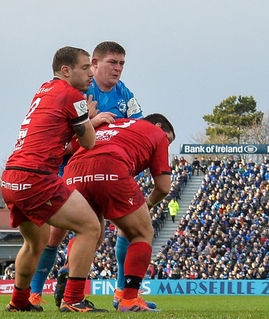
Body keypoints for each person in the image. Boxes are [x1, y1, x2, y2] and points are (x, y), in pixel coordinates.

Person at [29, 41, 151, 311]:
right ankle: (35, 294)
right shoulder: (81, 90)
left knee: (122, 227)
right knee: (57, 234)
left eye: (121, 64)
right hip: (69, 166)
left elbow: (139, 128)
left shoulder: (125, 94)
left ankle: (120, 293)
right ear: (94, 64)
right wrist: (93, 122)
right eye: (112, 62)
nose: (117, 69)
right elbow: (64, 133)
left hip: (105, 169)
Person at [2, 46, 107, 312]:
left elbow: (58, 140)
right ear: (66, 70)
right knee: (90, 227)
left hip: (11, 176)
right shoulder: (73, 95)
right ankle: (72, 299)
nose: (90, 74)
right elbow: (89, 142)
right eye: (85, 68)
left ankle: (19, 301)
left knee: (35, 243)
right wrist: (90, 119)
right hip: (36, 177)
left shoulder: (44, 89)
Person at [62, 114, 175, 312]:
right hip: (110, 168)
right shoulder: (157, 134)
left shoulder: (114, 123)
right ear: (158, 126)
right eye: (170, 139)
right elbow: (163, 188)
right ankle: (129, 299)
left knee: (89, 231)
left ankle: (71, 297)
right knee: (142, 232)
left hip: (73, 171)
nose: (168, 144)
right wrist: (147, 204)